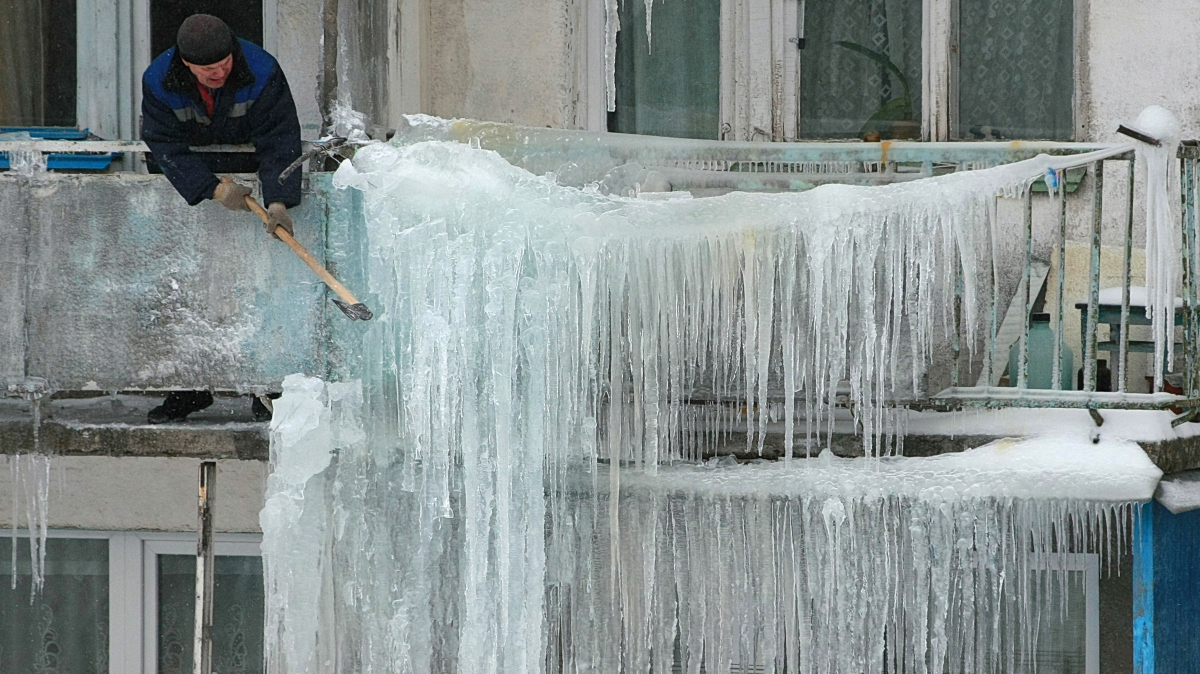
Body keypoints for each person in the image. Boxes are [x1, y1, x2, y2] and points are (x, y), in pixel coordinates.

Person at [141, 14, 301, 424]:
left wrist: (279, 200)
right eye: (209, 69)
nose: (220, 72)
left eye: (225, 64)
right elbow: (163, 145)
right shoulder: (159, 79)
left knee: (256, 288)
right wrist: (211, 187)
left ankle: (262, 387)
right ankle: (190, 387)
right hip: (190, 188)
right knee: (188, 290)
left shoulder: (261, 69)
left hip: (251, 178)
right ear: (187, 65)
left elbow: (281, 139)